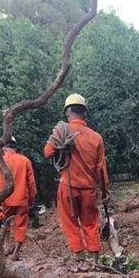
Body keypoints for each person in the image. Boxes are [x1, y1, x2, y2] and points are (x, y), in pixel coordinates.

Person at [44, 93, 110, 268]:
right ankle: (95, 262)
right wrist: (105, 193)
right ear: (85, 113)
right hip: (88, 189)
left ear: (67, 113)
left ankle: (81, 261)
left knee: (71, 224)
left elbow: (48, 152)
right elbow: (101, 170)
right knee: (91, 224)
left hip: (68, 187)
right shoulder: (96, 137)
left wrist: (62, 144)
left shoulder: (62, 130)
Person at [0, 135, 38, 261]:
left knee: (4, 222)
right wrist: (32, 198)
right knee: (21, 225)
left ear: (3, 148)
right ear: (15, 147)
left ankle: (6, 247)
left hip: (5, 200)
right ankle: (16, 252)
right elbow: (31, 183)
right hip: (22, 198)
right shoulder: (25, 160)